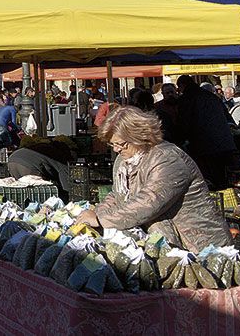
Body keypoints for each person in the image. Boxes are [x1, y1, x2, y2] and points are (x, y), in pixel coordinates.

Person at [75, 106, 231, 251]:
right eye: (112, 144)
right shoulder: (123, 161)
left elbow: (148, 202)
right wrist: (96, 214)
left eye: (121, 144)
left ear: (139, 136)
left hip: (199, 245)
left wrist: (101, 219)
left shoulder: (167, 159)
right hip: (166, 241)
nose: (116, 149)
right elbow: (118, 195)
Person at [173, 75, 237, 190]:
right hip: (224, 142)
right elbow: (227, 117)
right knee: (224, 178)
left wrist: (179, 140)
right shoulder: (211, 96)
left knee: (210, 180)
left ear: (182, 86)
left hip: (204, 144)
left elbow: (184, 122)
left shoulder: (187, 98)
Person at [7, 145, 76, 200]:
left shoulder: (46, 148)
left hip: (12, 160)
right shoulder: (60, 157)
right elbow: (65, 180)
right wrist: (69, 197)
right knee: (36, 194)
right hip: (28, 166)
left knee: (22, 192)